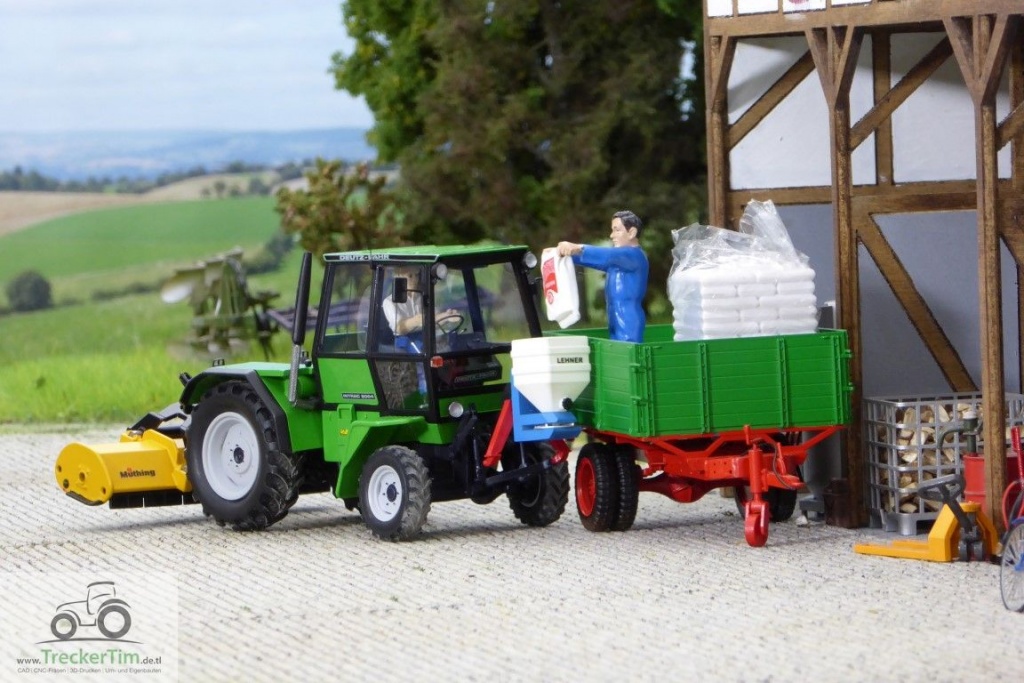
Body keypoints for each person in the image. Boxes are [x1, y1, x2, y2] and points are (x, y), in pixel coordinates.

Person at [557, 210, 648, 343]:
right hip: (615, 317)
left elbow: (606, 256)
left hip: (628, 319)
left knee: (626, 349)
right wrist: (563, 255)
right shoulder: (617, 262)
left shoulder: (633, 255)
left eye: (617, 230)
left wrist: (578, 247)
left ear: (631, 232)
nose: (612, 235)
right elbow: (595, 260)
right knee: (617, 348)